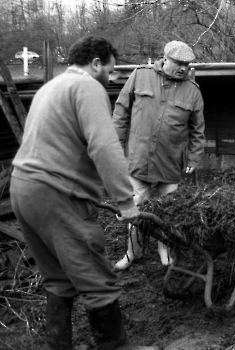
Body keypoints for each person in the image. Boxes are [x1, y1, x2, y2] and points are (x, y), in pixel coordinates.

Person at [10, 36, 158, 350]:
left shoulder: (50, 87)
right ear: (95, 63)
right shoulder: (87, 86)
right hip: (56, 194)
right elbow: (105, 146)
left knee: (59, 278)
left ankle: (58, 346)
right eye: (110, 70)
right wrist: (124, 201)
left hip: (22, 189)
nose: (112, 77)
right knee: (96, 278)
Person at [112, 40, 205, 271]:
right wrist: (116, 146)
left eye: (187, 64)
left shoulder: (192, 92)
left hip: (170, 162)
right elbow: (122, 111)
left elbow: (197, 130)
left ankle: (164, 250)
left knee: (169, 212)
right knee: (134, 209)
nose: (183, 68)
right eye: (179, 63)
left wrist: (193, 159)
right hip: (139, 158)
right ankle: (133, 251)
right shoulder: (140, 75)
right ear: (165, 59)